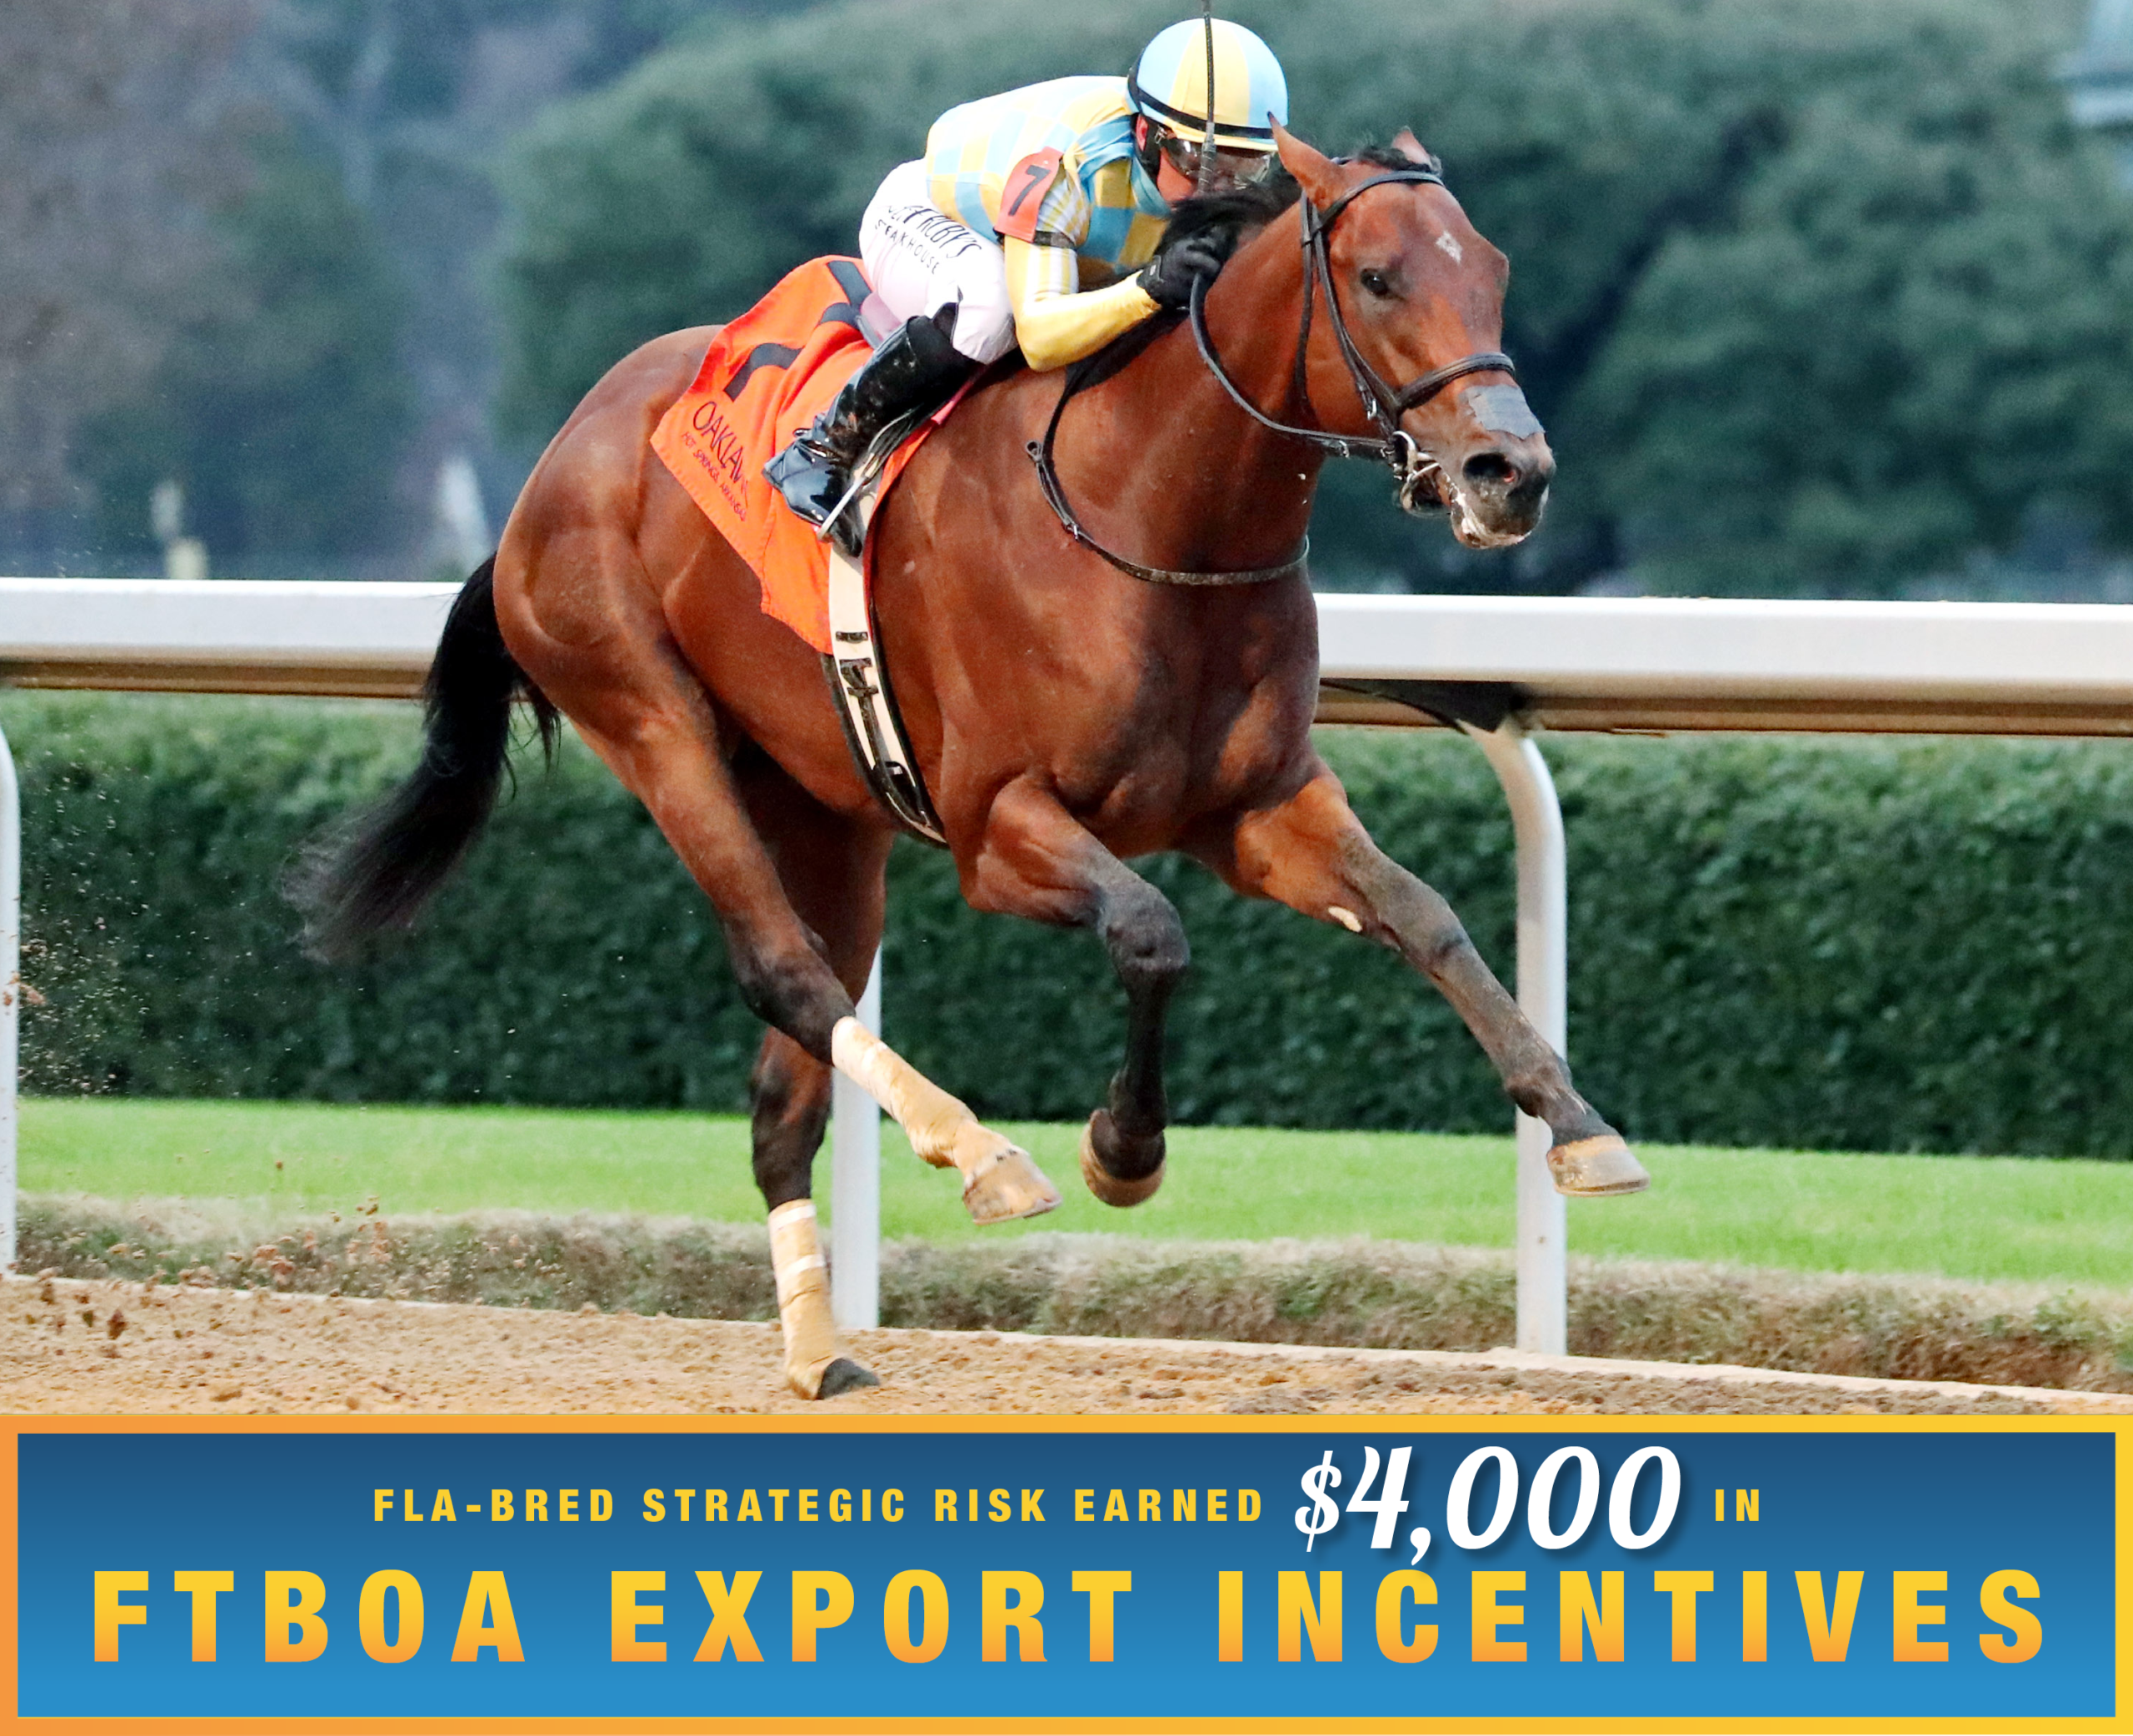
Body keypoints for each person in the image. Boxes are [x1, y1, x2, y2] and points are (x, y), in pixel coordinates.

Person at [767, 15, 1289, 537]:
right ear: (1145, 134)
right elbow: (1039, 336)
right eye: (1197, 158)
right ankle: (820, 448)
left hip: (1054, 246)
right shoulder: (1063, 165)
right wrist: (1148, 288)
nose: (1218, 189)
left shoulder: (1207, 180)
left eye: (1243, 167)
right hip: (926, 215)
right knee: (991, 308)